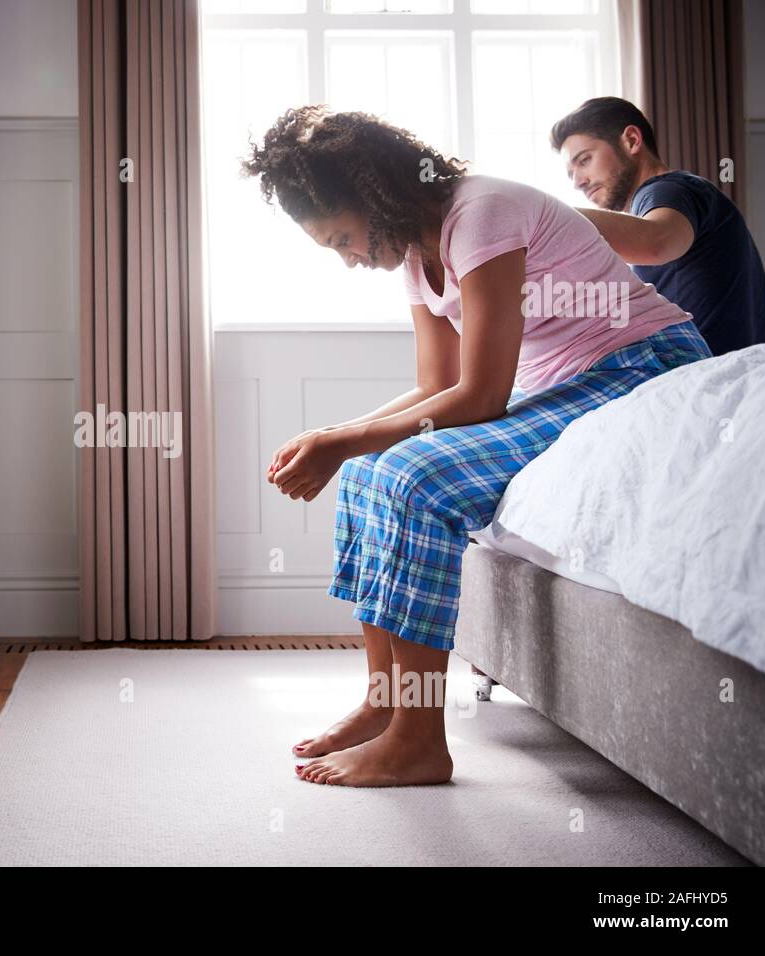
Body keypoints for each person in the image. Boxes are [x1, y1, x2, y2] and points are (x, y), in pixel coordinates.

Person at [239, 106, 711, 787]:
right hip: (566, 384)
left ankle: (418, 742)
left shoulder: (481, 213)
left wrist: (337, 439)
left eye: (343, 238)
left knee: (413, 479)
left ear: (375, 198)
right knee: (370, 471)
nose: (348, 260)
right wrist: (338, 441)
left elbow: (481, 397)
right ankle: (387, 700)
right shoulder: (412, 255)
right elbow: (437, 384)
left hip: (642, 364)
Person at [551, 96, 765, 355]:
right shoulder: (676, 194)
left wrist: (550, 215)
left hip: (713, 379)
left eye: (584, 160)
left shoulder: (667, 189)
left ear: (632, 140)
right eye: (571, 174)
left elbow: (658, 241)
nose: (578, 182)